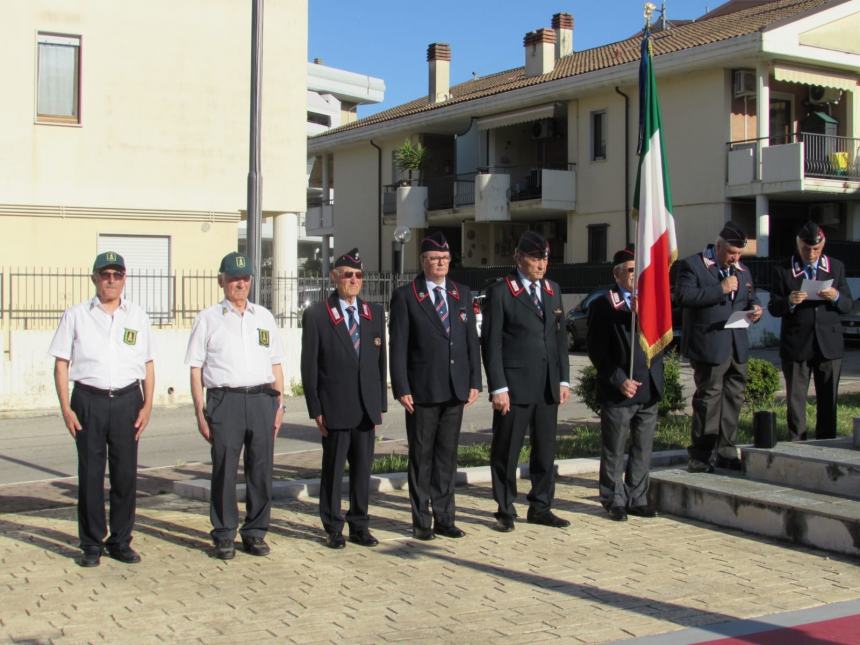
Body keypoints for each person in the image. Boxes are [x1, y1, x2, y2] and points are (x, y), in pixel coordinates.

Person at [49, 252, 155, 567]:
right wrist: (66, 408)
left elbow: (148, 364)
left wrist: (148, 405)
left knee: (125, 476)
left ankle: (121, 541)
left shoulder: (137, 316)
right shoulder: (76, 315)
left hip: (127, 401)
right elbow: (61, 364)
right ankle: (92, 544)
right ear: (94, 278)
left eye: (117, 275)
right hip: (88, 401)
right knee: (91, 476)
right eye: (105, 274)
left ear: (124, 280)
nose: (111, 280)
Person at [186, 252, 284, 560]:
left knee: (261, 470)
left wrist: (279, 406)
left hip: (261, 400)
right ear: (221, 280)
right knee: (225, 469)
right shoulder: (208, 318)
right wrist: (200, 410)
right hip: (224, 401)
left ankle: (255, 532)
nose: (239, 284)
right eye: (233, 278)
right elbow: (195, 367)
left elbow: (276, 363)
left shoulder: (264, 317)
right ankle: (224, 533)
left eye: (244, 278)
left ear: (251, 281)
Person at [389, 232, 482, 540]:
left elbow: (471, 341)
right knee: (422, 457)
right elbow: (398, 346)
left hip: (455, 389)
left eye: (444, 259)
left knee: (446, 457)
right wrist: (401, 387)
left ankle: (445, 517)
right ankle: (421, 520)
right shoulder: (407, 296)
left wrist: (474, 381)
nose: (440, 263)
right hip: (423, 391)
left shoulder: (461, 293)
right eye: (434, 259)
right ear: (423, 262)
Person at [481, 231, 571, 532]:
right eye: (535, 258)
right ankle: (505, 507)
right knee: (507, 450)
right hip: (514, 386)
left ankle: (541, 505)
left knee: (545, 449)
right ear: (518, 258)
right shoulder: (502, 292)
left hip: (547, 384)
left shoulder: (552, 290)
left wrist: (564, 379)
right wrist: (498, 387)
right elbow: (491, 343)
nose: (541, 264)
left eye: (545, 258)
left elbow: (559, 339)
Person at [301, 249, 387, 549]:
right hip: (335, 407)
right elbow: (309, 365)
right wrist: (316, 408)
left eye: (358, 276)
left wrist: (380, 406)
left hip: (365, 408)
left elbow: (380, 362)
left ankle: (359, 524)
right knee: (333, 471)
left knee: (363, 471)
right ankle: (333, 526)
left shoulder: (373, 313)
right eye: (348, 275)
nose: (353, 280)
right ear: (335, 277)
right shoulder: (317, 315)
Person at [676, 222, 762, 472]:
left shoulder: (742, 270)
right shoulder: (693, 265)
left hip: (737, 345)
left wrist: (755, 310)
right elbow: (684, 297)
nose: (734, 258)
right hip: (709, 345)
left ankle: (726, 450)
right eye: (731, 253)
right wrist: (720, 289)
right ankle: (700, 455)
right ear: (719, 245)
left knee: (733, 398)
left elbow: (750, 297)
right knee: (708, 400)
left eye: (738, 254)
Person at [587, 248, 664, 521]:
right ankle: (613, 498)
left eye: (638, 269)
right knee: (615, 448)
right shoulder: (604, 304)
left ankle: (638, 497)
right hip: (620, 389)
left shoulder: (653, 301)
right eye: (631, 270)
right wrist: (619, 380)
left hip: (648, 386)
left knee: (643, 447)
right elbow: (597, 351)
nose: (636, 275)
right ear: (617, 273)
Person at [768, 221, 852, 440]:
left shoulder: (836, 266)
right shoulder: (783, 269)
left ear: (823, 245)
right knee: (796, 399)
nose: (812, 253)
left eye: (816, 248)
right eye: (807, 248)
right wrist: (789, 301)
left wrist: (835, 296)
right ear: (798, 245)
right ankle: (797, 441)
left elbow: (847, 305)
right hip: (797, 344)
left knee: (828, 398)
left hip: (828, 344)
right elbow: (773, 307)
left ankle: (827, 441)